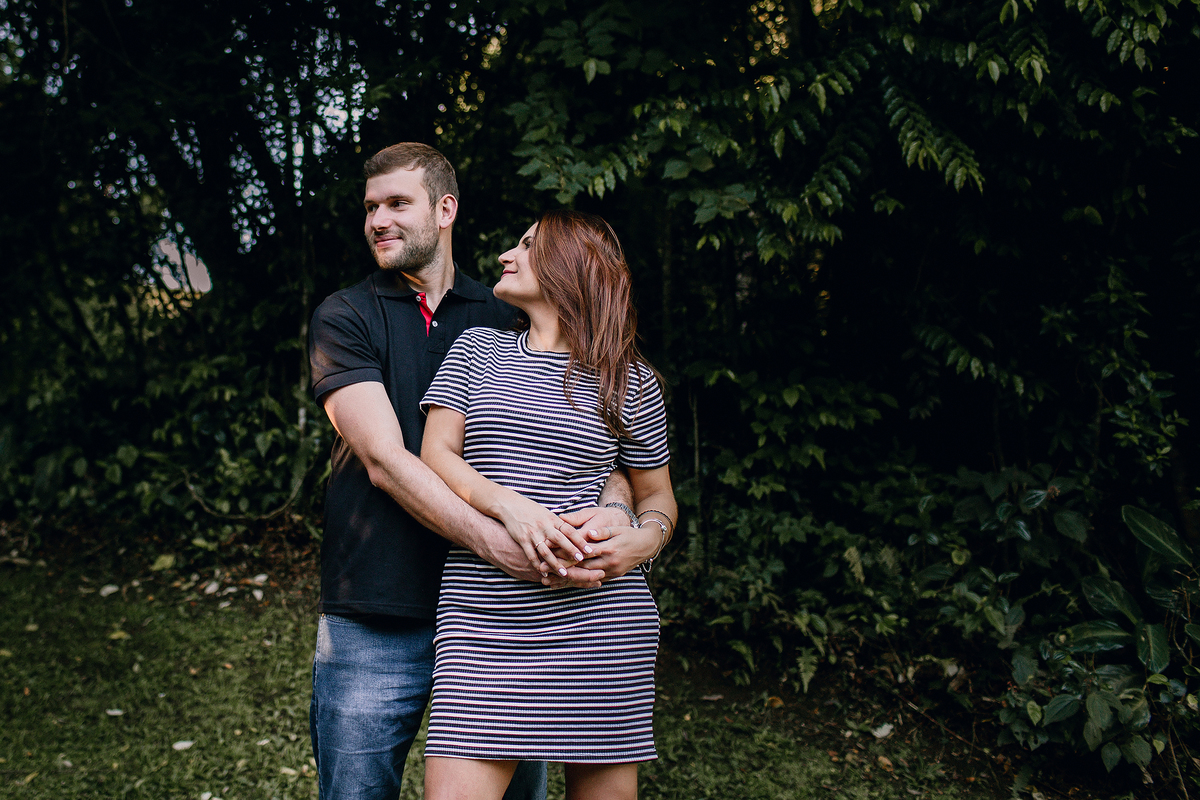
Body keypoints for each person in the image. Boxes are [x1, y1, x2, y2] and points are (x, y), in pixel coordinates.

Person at [306, 143, 654, 800]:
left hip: (510, 616)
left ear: (445, 209)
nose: (377, 219)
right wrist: (501, 538)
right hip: (377, 613)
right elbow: (386, 461)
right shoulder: (345, 315)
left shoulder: (505, 316)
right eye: (370, 207)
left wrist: (616, 508)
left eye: (396, 203)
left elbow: (596, 434)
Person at [419, 209, 677, 800]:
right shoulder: (479, 349)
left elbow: (657, 494)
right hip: (484, 619)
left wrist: (647, 537)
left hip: (602, 622)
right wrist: (510, 507)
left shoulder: (630, 379)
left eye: (528, 245)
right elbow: (438, 454)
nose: (507, 255)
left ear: (568, 268)